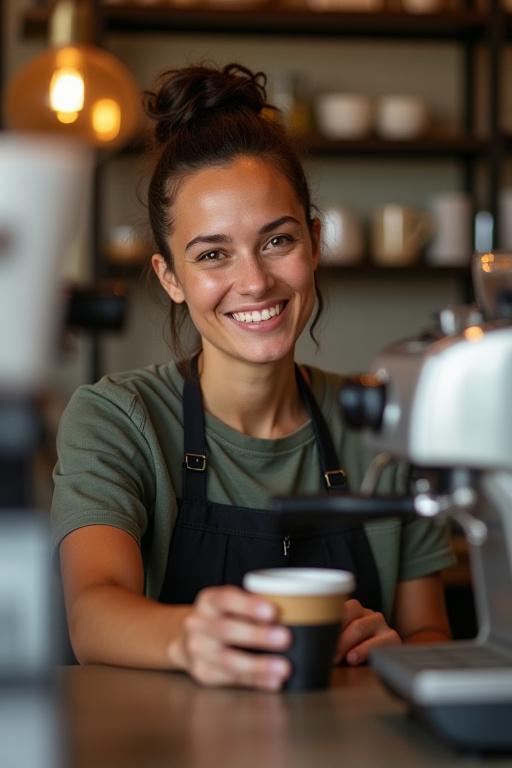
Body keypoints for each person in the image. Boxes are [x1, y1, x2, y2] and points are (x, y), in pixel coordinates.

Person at [51, 63, 455, 691]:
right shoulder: (118, 417)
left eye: (277, 241)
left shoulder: (387, 420)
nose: (255, 282)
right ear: (169, 279)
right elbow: (92, 612)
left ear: (314, 244)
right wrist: (195, 637)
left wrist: (394, 648)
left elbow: (430, 634)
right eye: (212, 254)